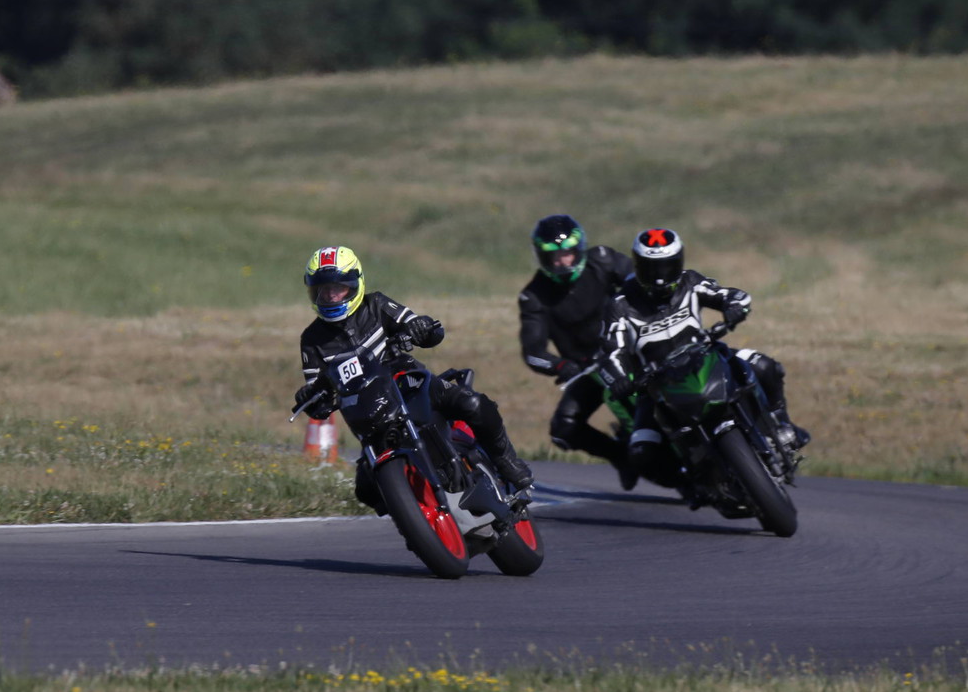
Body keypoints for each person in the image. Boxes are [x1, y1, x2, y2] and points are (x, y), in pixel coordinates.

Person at [294, 246, 534, 511]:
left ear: (354, 284)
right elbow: (318, 401)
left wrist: (421, 327)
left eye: (337, 287)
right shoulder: (311, 340)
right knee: (366, 490)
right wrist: (309, 397)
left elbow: (428, 332)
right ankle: (417, 515)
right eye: (323, 289)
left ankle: (506, 462)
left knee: (473, 404)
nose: (330, 295)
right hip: (367, 413)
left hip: (408, 383)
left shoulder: (376, 304)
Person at [595, 227, 810, 497]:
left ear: (679, 262)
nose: (660, 277)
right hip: (655, 384)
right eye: (651, 268)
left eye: (667, 266)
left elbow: (730, 295)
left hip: (708, 356)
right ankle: (690, 483)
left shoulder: (691, 281)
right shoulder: (620, 305)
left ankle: (781, 425)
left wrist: (734, 307)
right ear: (638, 266)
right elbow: (610, 353)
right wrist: (619, 380)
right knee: (641, 452)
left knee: (766, 366)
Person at [518, 214, 640, 489]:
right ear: (542, 257)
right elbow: (533, 351)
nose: (562, 262)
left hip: (630, 349)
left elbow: (640, 279)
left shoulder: (603, 259)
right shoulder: (534, 295)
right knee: (563, 429)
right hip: (588, 369)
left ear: (579, 249)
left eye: (567, 253)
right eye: (554, 256)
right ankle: (621, 456)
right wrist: (561, 366)